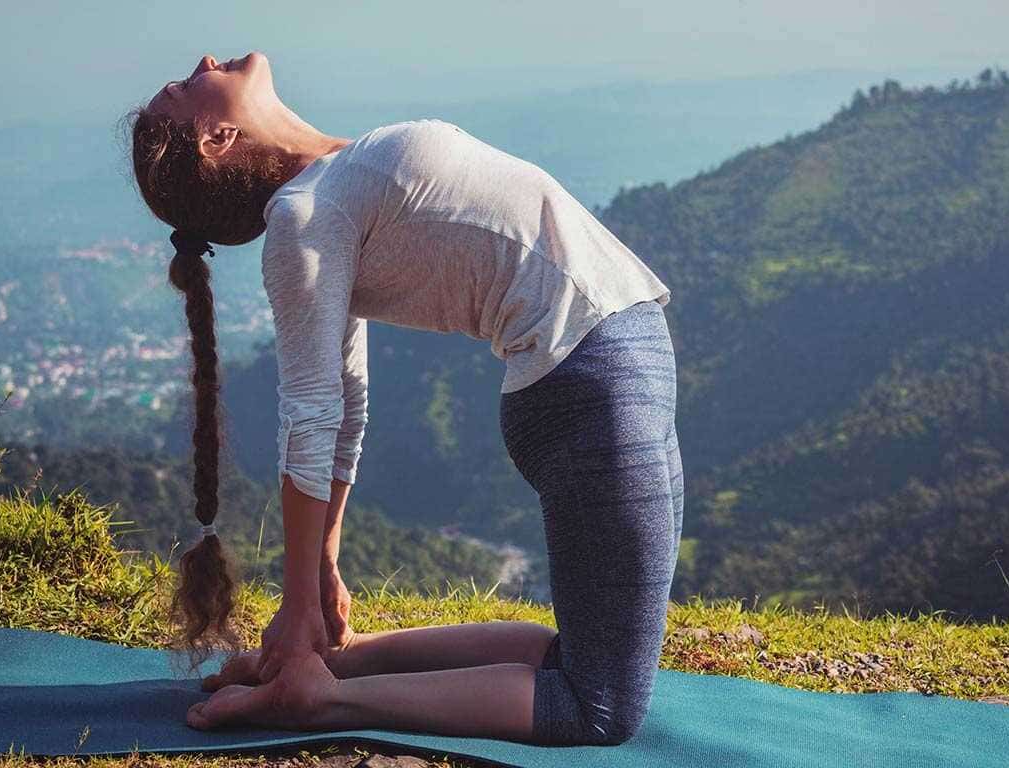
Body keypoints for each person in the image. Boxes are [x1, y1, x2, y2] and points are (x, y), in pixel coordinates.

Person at [125, 51, 684, 747]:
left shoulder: (330, 188)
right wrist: (298, 604)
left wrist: (324, 571)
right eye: (184, 87)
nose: (203, 61)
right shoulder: (305, 216)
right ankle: (318, 701)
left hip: (612, 368)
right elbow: (312, 410)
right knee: (595, 706)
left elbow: (350, 405)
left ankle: (331, 671)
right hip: (591, 384)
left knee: (568, 661)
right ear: (216, 140)